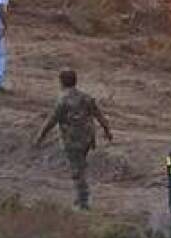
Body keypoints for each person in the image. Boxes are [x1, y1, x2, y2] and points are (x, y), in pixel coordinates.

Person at [35, 70, 113, 210]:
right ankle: (81, 199)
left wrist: (40, 137)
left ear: (61, 82)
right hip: (87, 138)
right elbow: (99, 115)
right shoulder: (86, 97)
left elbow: (51, 121)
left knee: (77, 171)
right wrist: (107, 131)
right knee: (80, 167)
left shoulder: (62, 100)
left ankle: (83, 202)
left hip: (72, 140)